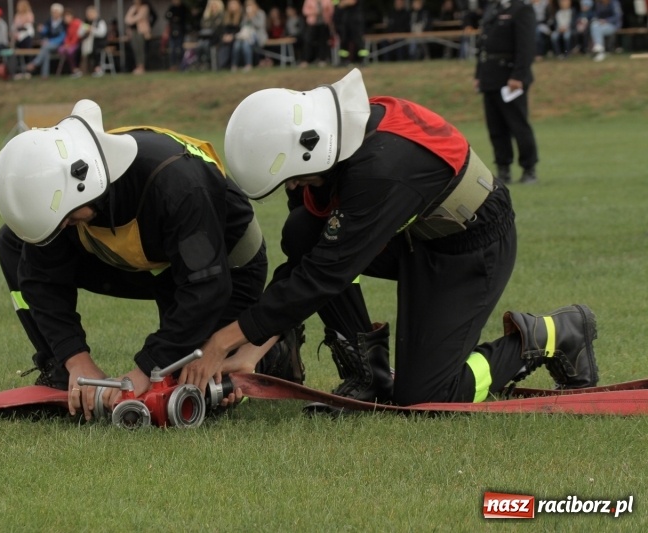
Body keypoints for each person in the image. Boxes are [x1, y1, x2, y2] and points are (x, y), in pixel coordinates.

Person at [180, 69, 599, 408]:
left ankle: (550, 334)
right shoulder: (333, 143)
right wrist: (252, 350)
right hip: (415, 237)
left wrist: (223, 340)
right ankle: (368, 374)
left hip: (471, 248)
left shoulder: (379, 169)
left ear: (309, 152)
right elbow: (310, 265)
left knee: (429, 397)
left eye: (292, 180)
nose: (293, 190)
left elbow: (325, 274)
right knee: (303, 231)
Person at [0, 99, 302, 420]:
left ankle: (267, 348)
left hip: (225, 268)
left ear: (86, 184)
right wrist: (75, 360)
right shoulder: (67, 201)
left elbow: (206, 288)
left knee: (194, 391)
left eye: (68, 218)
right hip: (148, 261)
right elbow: (41, 278)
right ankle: (61, 375)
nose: (64, 227)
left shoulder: (179, 186)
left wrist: (145, 370)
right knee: (14, 246)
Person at [475, 0, 538, 185]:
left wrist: (519, 75)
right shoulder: (493, 8)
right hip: (490, 76)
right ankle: (503, 169)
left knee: (518, 125)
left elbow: (526, 46)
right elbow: (483, 45)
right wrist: (478, 74)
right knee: (496, 128)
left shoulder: (522, 9)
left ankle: (529, 168)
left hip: (510, 77)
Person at [26, 3, 66, 78]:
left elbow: (62, 38)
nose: (54, 13)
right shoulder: (49, 21)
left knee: (45, 47)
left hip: (58, 45)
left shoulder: (63, 23)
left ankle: (35, 63)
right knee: (46, 51)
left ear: (60, 13)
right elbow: (46, 32)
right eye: (53, 12)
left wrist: (50, 41)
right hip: (48, 45)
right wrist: (42, 30)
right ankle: (45, 75)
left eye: (56, 12)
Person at [230, 0, 266, 71]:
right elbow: (242, 27)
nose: (249, 7)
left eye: (250, 5)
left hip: (257, 37)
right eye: (247, 6)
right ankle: (234, 65)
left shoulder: (260, 13)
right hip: (245, 36)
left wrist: (252, 18)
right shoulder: (245, 15)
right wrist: (247, 18)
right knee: (237, 44)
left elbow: (260, 25)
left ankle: (248, 64)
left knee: (246, 44)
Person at [300, 0, 333, 68]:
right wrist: (315, 12)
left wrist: (326, 14)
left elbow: (331, 11)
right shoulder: (309, 0)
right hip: (312, 24)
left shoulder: (327, 0)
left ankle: (322, 60)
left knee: (322, 42)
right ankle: (306, 60)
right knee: (308, 41)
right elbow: (305, 11)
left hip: (323, 23)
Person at [79, 5, 108, 76]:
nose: (89, 15)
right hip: (88, 42)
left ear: (96, 14)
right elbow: (79, 33)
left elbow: (102, 33)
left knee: (95, 49)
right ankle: (83, 70)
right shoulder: (86, 22)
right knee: (79, 48)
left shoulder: (100, 21)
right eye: (88, 14)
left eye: (91, 14)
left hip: (99, 42)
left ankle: (98, 69)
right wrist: (85, 31)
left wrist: (92, 30)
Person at [334, 0, 366, 64]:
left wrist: (342, 3)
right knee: (344, 40)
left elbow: (351, 2)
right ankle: (343, 60)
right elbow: (335, 3)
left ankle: (361, 60)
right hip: (345, 19)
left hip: (356, 19)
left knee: (358, 40)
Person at [124, 0, 152, 74]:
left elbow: (139, 17)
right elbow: (126, 19)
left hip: (141, 31)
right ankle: (138, 66)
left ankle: (141, 67)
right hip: (133, 32)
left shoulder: (145, 7)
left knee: (140, 49)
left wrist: (132, 19)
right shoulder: (132, 8)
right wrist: (132, 19)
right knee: (135, 49)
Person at [57, 7, 82, 76]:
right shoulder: (68, 26)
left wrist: (70, 44)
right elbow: (67, 37)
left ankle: (75, 69)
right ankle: (73, 69)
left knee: (69, 51)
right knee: (61, 50)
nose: (66, 19)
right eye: (65, 17)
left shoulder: (77, 23)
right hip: (69, 44)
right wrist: (66, 44)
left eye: (67, 17)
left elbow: (77, 36)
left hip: (77, 44)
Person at [163, 0, 188, 70]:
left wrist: (177, 19)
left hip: (180, 31)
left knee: (180, 48)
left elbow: (184, 18)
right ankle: (173, 65)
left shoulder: (183, 8)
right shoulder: (171, 8)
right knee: (172, 49)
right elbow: (166, 16)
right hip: (172, 31)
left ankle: (182, 64)